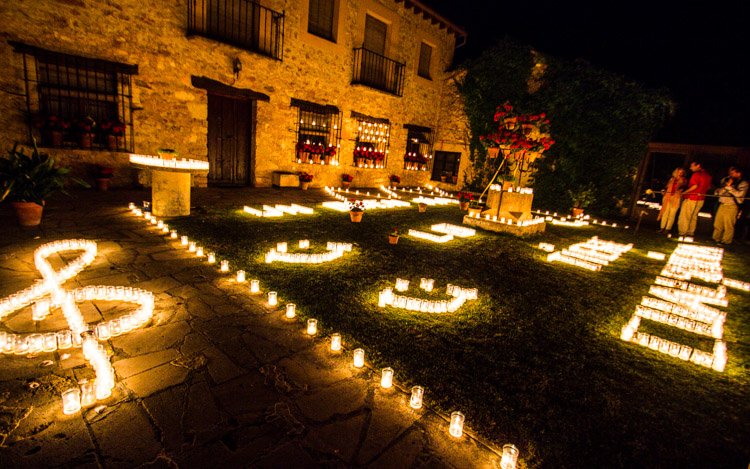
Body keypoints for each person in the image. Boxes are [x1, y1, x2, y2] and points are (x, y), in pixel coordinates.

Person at [712, 166, 748, 245]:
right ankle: (716, 238)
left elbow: (740, 194)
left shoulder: (743, 183)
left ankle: (726, 241)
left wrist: (729, 187)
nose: (730, 175)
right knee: (718, 223)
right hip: (722, 204)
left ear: (738, 174)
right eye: (729, 173)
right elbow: (718, 192)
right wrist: (724, 188)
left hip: (731, 206)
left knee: (728, 225)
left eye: (732, 173)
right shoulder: (726, 180)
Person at [677, 160, 712, 238]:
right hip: (701, 198)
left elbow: (695, 186)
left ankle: (682, 232)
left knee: (685, 215)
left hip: (692, 197)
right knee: (694, 216)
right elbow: (709, 187)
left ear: (698, 165)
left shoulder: (696, 174)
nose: (690, 168)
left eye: (692, 166)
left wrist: (685, 192)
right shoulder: (708, 176)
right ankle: (690, 232)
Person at [657, 167, 687, 234]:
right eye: (679, 172)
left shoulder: (684, 180)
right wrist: (663, 191)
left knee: (672, 214)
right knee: (665, 213)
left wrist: (680, 190)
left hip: (676, 198)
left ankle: (668, 229)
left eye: (682, 172)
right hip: (668, 197)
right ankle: (662, 227)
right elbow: (666, 187)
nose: (680, 174)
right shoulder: (672, 179)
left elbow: (683, 188)